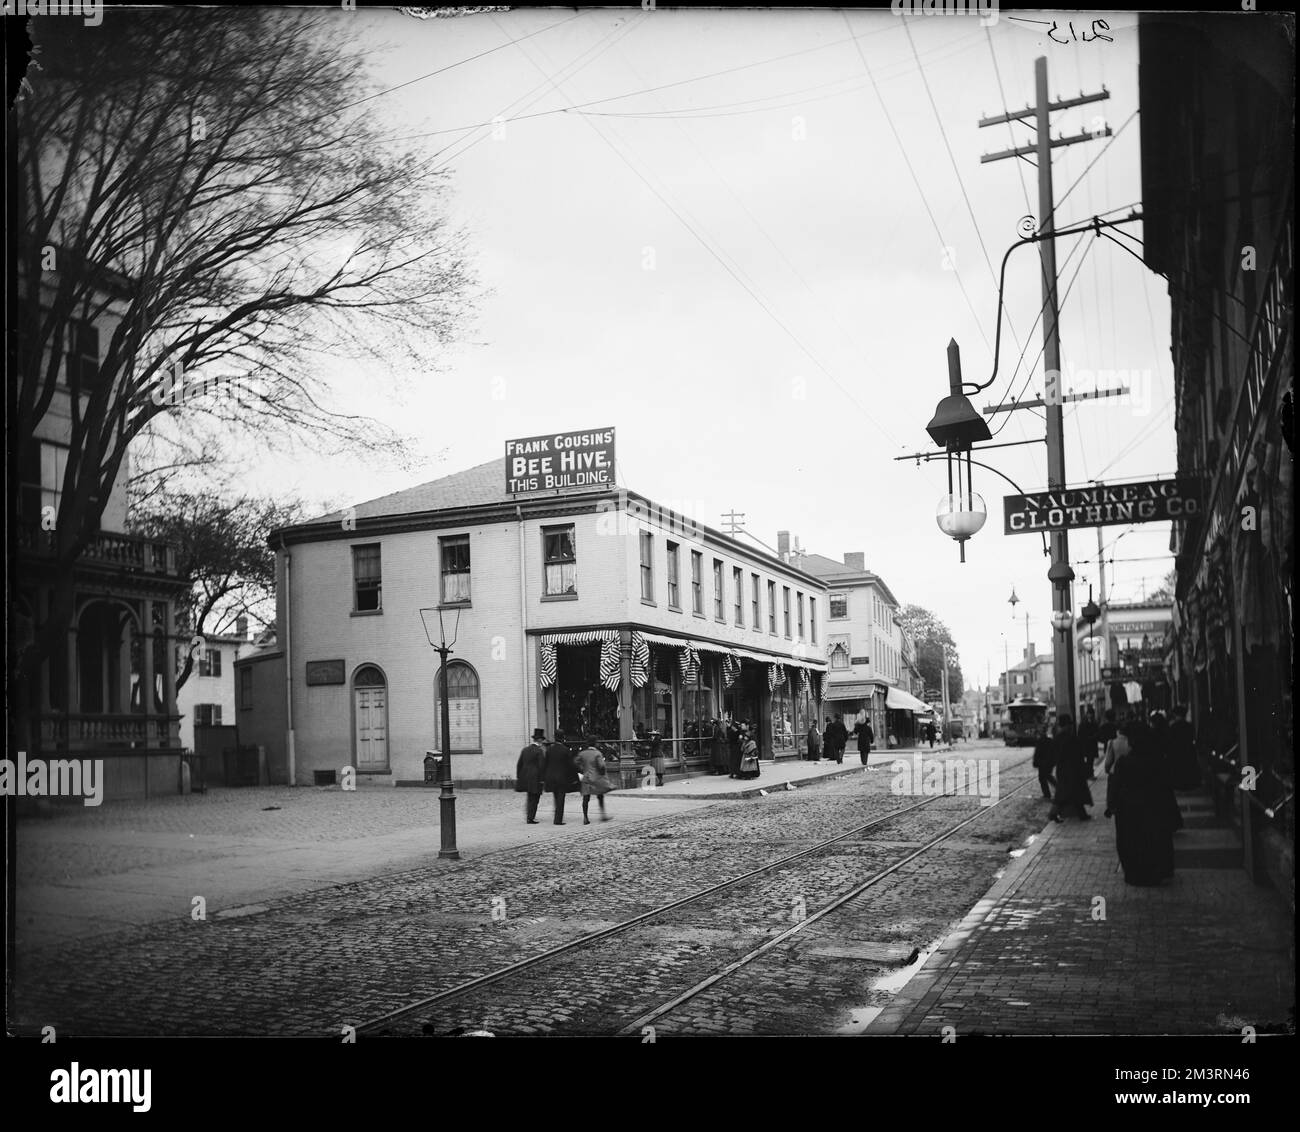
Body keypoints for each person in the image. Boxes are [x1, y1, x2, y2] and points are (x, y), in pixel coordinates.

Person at [1107, 720, 1176, 885]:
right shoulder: (1157, 760)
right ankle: (1155, 872)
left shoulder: (1124, 762)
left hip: (1129, 812)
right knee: (1153, 842)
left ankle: (1135, 874)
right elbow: (1166, 785)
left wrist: (1112, 806)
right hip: (1153, 809)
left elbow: (1115, 787)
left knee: (1131, 843)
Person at [1048, 713, 1093, 822]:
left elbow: (1054, 755)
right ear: (1067, 725)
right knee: (1071, 793)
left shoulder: (1057, 738)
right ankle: (1054, 813)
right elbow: (1078, 755)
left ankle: (1079, 814)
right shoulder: (1071, 738)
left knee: (1065, 793)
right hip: (1073, 769)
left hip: (1062, 770)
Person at [542, 728, 579, 825]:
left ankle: (556, 815)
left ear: (555, 737)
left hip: (551, 777)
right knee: (561, 798)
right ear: (563, 738)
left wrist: (545, 777)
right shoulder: (565, 750)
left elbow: (545, 764)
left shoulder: (549, 750)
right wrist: (575, 778)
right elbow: (570, 765)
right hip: (562, 778)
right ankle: (558, 819)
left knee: (556, 797)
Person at [574, 737, 613, 824]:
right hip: (596, 778)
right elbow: (601, 766)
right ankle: (603, 815)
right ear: (595, 743)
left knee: (585, 798)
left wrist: (582, 769)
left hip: (586, 777)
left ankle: (585, 817)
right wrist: (602, 774)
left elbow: (576, 762)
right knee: (600, 796)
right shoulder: (597, 753)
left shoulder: (582, 753)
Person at [515, 727, 547, 824]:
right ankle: (531, 817)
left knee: (530, 797)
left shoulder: (525, 749)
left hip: (526, 777)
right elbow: (542, 766)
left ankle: (529, 815)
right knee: (535, 798)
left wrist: (519, 776)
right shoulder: (539, 751)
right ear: (540, 740)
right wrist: (542, 779)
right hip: (536, 777)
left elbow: (519, 764)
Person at [1167, 704, 1200, 790]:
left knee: (1179, 770)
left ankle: (1179, 785)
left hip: (1177, 752)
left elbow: (1170, 741)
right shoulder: (1189, 726)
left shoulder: (1173, 727)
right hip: (1188, 751)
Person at [1031, 730, 1056, 800]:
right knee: (1047, 776)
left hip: (1043, 763)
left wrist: (1036, 762)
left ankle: (1048, 794)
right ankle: (1049, 793)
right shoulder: (1049, 740)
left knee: (1044, 777)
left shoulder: (1040, 741)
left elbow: (1037, 753)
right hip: (1048, 762)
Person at [1077, 707, 1100, 781]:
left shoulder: (1094, 722)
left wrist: (1095, 736)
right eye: (1089, 714)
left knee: (1091, 760)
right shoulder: (1083, 723)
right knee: (1088, 760)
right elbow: (1080, 734)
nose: (1090, 715)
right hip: (1086, 744)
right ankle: (1088, 774)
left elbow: (1097, 732)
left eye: (1091, 714)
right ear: (1087, 714)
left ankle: (1090, 774)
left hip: (1092, 744)